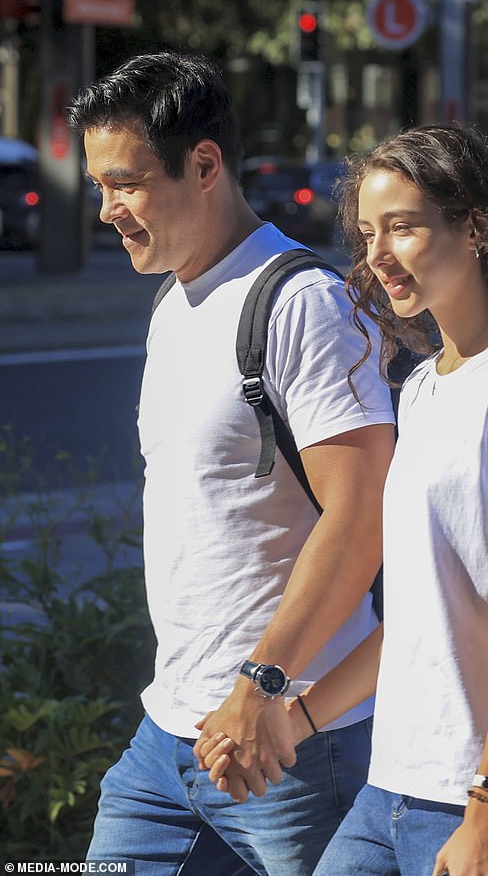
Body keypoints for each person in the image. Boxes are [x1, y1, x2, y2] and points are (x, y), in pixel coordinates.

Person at [202, 124, 488, 876]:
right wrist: (292, 720)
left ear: (476, 227)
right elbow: (421, 622)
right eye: (366, 233)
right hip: (394, 783)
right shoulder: (424, 385)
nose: (376, 254)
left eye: (402, 226)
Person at [67, 52, 396, 876]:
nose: (106, 210)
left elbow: (362, 519)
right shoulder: (173, 300)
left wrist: (263, 687)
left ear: (204, 164)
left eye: (126, 184)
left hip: (284, 744)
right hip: (168, 738)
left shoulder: (302, 304)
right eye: (99, 186)